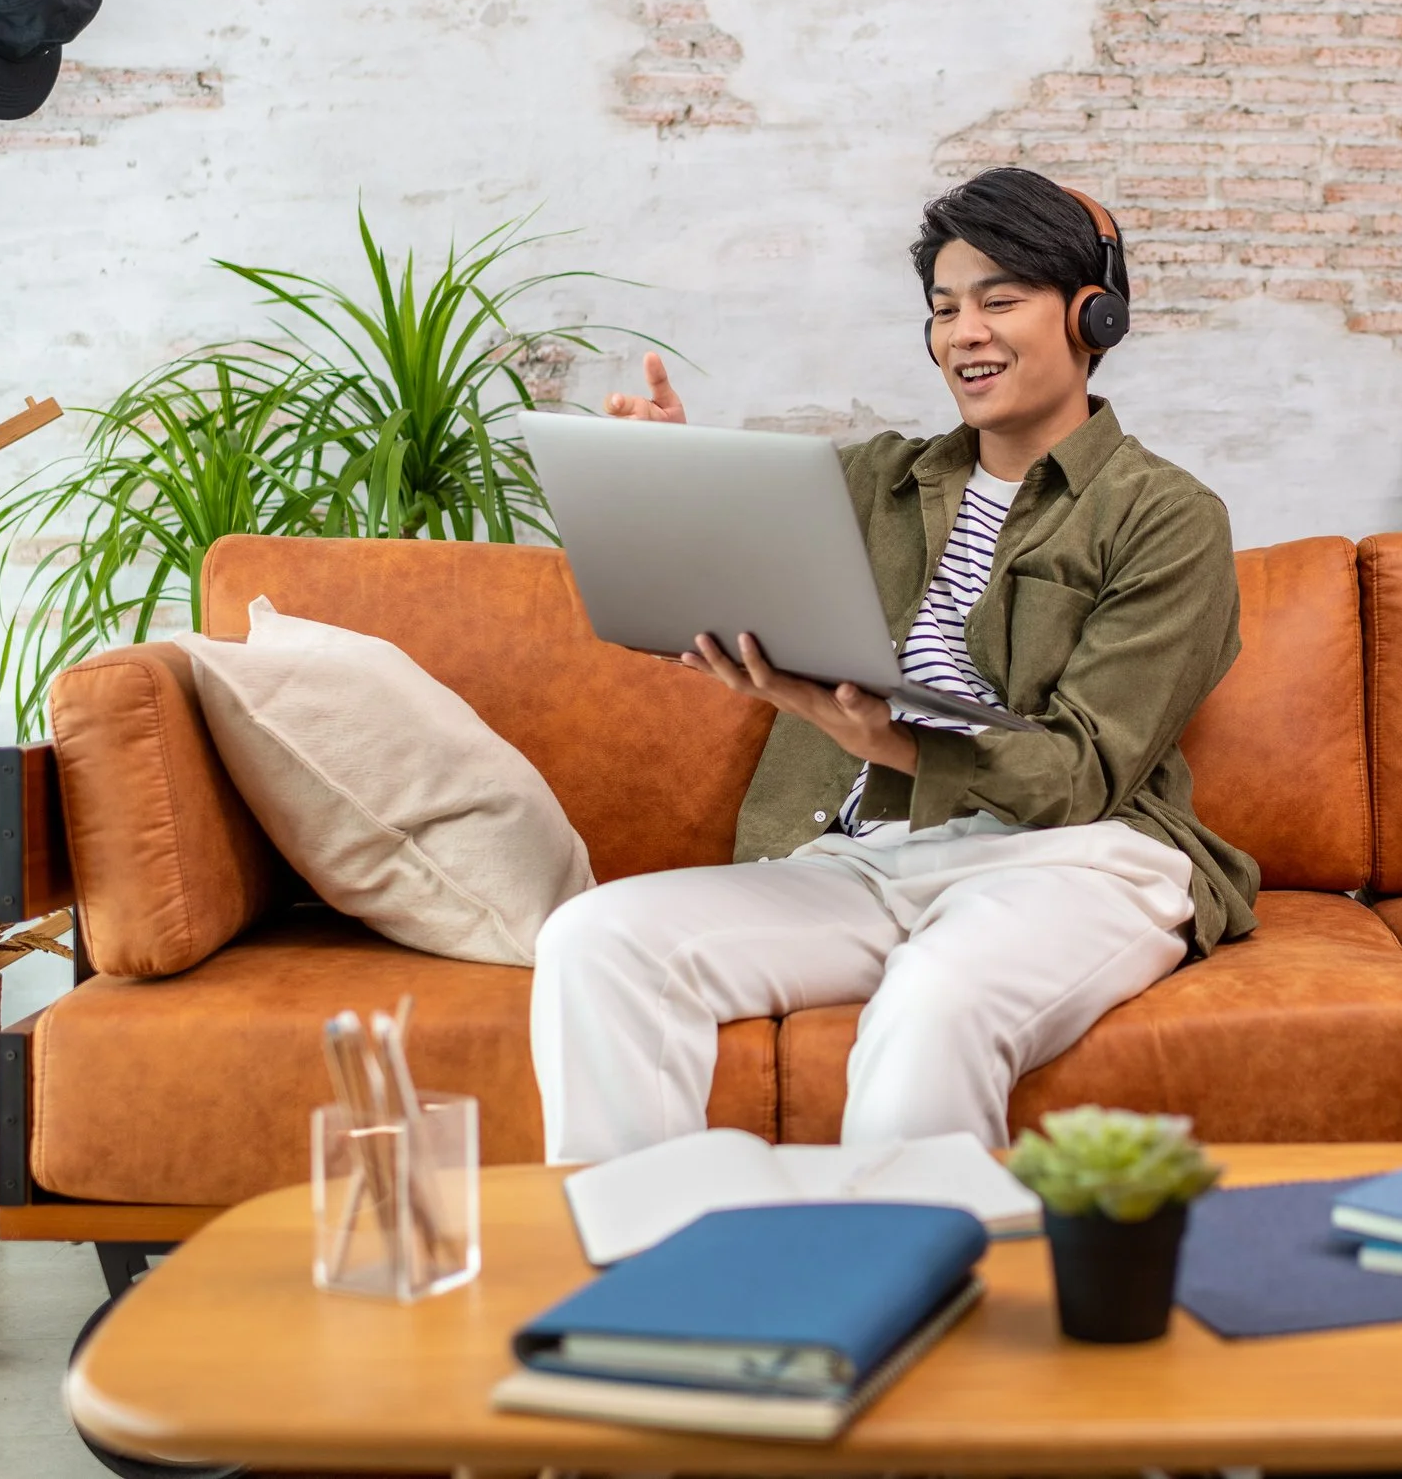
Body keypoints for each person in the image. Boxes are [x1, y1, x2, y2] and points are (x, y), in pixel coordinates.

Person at [529, 167, 1260, 1163]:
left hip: (1077, 860)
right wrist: (667, 481)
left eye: (1000, 300)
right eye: (945, 309)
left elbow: (1085, 775)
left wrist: (896, 741)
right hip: (863, 858)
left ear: (1093, 317)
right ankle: (659, 1244)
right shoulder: (875, 479)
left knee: (935, 995)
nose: (965, 333)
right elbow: (732, 575)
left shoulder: (1166, 515)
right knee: (595, 940)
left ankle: (915, 1254)